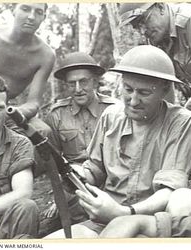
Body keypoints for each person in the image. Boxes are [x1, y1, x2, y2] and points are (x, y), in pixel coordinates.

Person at [45, 45, 191, 238]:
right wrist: (79, 175)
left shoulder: (181, 122)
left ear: (164, 90)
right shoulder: (111, 116)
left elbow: (170, 190)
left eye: (144, 93)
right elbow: (94, 169)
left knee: (186, 198)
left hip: (151, 224)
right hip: (105, 223)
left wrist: (126, 213)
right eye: (128, 90)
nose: (133, 101)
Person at [40, 52, 118, 236]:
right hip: (75, 186)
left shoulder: (114, 110)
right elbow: (53, 162)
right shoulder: (56, 115)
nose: (78, 89)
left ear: (95, 82)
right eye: (71, 84)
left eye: (83, 82)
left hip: (111, 183)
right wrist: (58, 197)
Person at [0, 72, 39, 239]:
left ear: (7, 108)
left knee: (27, 207)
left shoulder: (19, 144)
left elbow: (24, 193)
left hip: (1, 229)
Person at [0, 3, 55, 132]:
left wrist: (10, 114)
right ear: (13, 10)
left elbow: (33, 103)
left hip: (5, 112)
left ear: (44, 17)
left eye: (38, 12)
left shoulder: (45, 55)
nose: (31, 17)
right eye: (25, 9)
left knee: (43, 131)